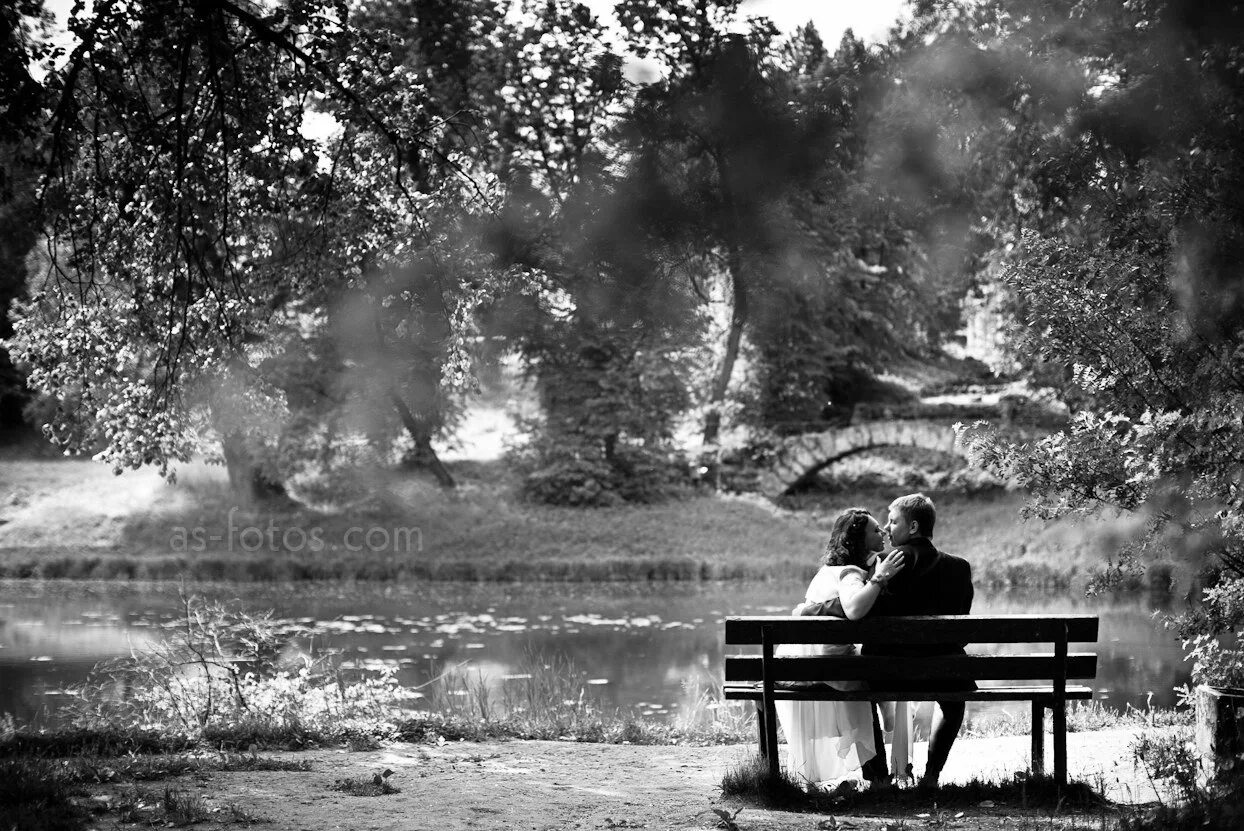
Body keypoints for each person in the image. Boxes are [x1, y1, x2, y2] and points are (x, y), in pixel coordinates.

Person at [774, 507, 907, 787]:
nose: (882, 531)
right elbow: (855, 609)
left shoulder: (828, 571)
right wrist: (879, 577)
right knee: (876, 675)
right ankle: (881, 776)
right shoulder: (849, 573)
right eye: (874, 530)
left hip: (804, 663)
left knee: (869, 672)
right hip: (830, 667)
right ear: (857, 540)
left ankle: (886, 740)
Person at [862, 493, 975, 789]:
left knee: (860, 698)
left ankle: (879, 778)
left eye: (893, 520)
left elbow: (867, 620)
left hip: (887, 673)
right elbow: (962, 625)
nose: (886, 527)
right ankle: (931, 777)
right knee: (954, 703)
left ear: (912, 527)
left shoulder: (886, 564)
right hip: (944, 673)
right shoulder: (959, 568)